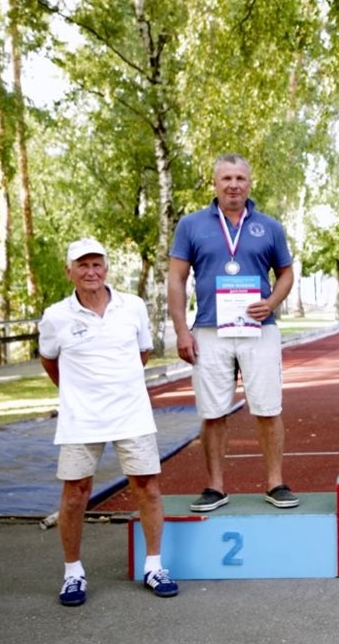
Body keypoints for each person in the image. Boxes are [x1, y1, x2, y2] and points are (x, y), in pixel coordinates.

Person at [39, 238, 179, 606]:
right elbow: (49, 361)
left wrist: (118, 386)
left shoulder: (133, 306)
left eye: (97, 264)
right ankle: (73, 573)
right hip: (81, 420)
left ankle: (154, 567)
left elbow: (142, 353)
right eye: (82, 265)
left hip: (132, 415)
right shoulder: (55, 316)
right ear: (69, 271)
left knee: (147, 487)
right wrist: (78, 393)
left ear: (106, 268)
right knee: (75, 495)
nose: (91, 272)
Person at [168, 154, 299, 512]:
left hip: (259, 329)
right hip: (210, 330)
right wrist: (181, 330)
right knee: (212, 412)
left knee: (268, 407)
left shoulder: (269, 226)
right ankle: (215, 487)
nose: (233, 185)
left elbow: (286, 273)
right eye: (226, 178)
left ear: (249, 183)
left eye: (240, 178)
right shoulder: (191, 225)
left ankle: (275, 483)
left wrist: (271, 302)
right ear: (215, 183)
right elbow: (177, 279)